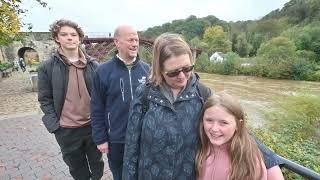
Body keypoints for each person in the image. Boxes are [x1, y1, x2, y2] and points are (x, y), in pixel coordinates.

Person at [122, 33, 212, 179]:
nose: (182, 76)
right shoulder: (144, 94)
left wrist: (263, 157)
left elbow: (234, 127)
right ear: (160, 70)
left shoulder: (203, 94)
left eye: (187, 68)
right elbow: (132, 146)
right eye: (173, 72)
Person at [37, 19, 104, 180]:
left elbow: (103, 96)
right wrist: (55, 125)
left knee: (97, 163)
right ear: (56, 38)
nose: (69, 38)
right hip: (66, 129)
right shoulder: (47, 67)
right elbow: (45, 99)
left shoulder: (94, 65)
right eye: (64, 34)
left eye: (73, 34)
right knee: (76, 167)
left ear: (79, 38)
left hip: (92, 126)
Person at [91, 25, 150, 180]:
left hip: (143, 138)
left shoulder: (148, 70)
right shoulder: (102, 71)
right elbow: (97, 107)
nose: (135, 43)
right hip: (116, 139)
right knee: (120, 175)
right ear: (117, 42)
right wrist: (101, 138)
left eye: (136, 40)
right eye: (130, 39)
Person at [195, 92, 284, 180]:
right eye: (209, 120)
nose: (214, 128)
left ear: (238, 125)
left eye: (223, 123)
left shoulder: (249, 160)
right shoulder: (199, 145)